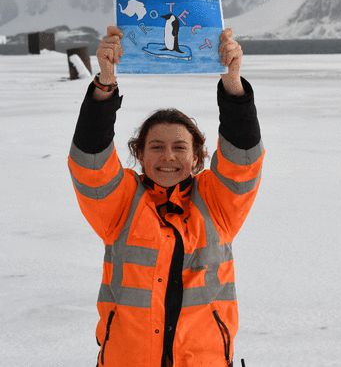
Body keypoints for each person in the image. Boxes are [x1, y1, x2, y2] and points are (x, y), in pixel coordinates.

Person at [68, 26, 264, 367]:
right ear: (140, 156)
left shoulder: (216, 205)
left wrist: (233, 88)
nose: (168, 157)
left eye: (179, 148)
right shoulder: (122, 204)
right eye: (156, 147)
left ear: (197, 158)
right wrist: (104, 85)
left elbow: (243, 159)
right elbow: (90, 162)